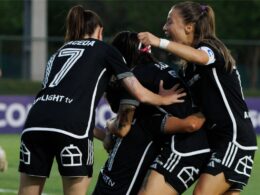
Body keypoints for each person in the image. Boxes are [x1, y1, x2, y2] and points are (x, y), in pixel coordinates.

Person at [18, 5, 185, 195]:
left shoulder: (58, 53)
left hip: (34, 123)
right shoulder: (105, 50)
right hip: (72, 127)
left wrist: (104, 132)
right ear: (100, 31)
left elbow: (56, 100)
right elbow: (138, 92)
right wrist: (164, 99)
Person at [138, 1, 258, 194]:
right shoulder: (188, 68)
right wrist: (161, 99)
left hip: (234, 138)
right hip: (217, 141)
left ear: (189, 27)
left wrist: (159, 41)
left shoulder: (210, 47)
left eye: (170, 22)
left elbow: (201, 57)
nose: (164, 28)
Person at [93, 31, 210, 195]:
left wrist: (108, 125)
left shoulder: (134, 77)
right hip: (191, 138)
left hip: (187, 143)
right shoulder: (162, 68)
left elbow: (122, 128)